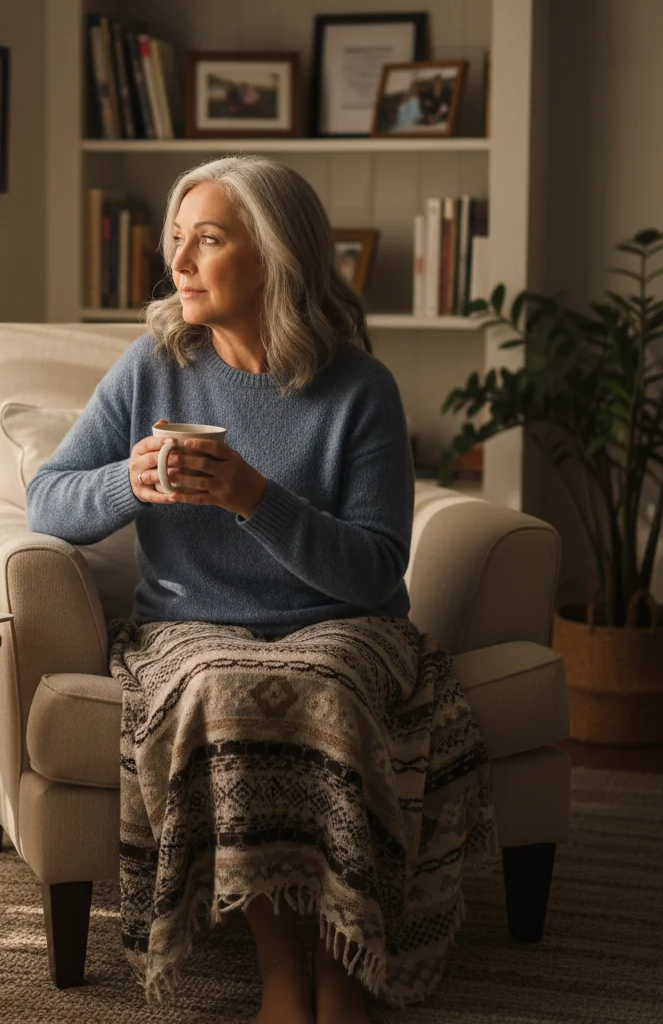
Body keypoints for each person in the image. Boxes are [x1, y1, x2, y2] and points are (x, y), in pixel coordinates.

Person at [26, 156, 498, 1024]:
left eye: (208, 239)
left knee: (326, 693)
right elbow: (45, 500)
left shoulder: (360, 388)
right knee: (227, 692)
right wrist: (126, 484)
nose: (181, 261)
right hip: (190, 625)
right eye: (178, 239)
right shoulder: (151, 369)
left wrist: (253, 499)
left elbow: (375, 567)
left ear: (276, 254)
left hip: (343, 622)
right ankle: (283, 969)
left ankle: (345, 964)